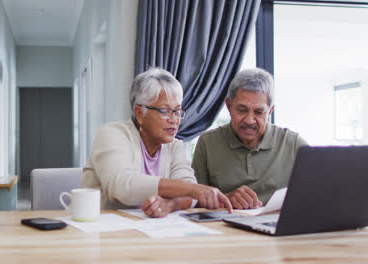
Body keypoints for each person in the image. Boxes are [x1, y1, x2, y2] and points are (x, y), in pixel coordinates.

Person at [81, 68, 232, 217]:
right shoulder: (112, 134)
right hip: (102, 230)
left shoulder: (174, 146)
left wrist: (170, 204)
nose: (174, 119)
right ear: (140, 114)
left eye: (178, 111)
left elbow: (190, 196)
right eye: (164, 111)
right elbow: (122, 186)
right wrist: (192, 189)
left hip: (152, 231)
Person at [192, 68, 307, 210]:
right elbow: (192, 201)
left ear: (270, 111)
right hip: (225, 229)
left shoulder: (293, 144)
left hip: (278, 228)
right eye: (242, 110)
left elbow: (319, 190)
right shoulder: (207, 143)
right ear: (229, 106)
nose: (250, 120)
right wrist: (226, 199)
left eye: (259, 112)